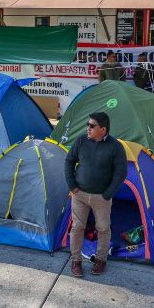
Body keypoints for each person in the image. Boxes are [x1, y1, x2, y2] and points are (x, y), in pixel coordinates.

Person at [65, 112, 127, 277]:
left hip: (101, 197)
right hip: (79, 194)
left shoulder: (115, 147)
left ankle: (101, 260)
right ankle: (76, 260)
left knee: (103, 228)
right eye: (88, 125)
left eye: (92, 126)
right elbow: (69, 161)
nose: (88, 128)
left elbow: (121, 173)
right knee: (77, 227)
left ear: (103, 129)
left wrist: (108, 194)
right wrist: (72, 185)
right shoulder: (81, 141)